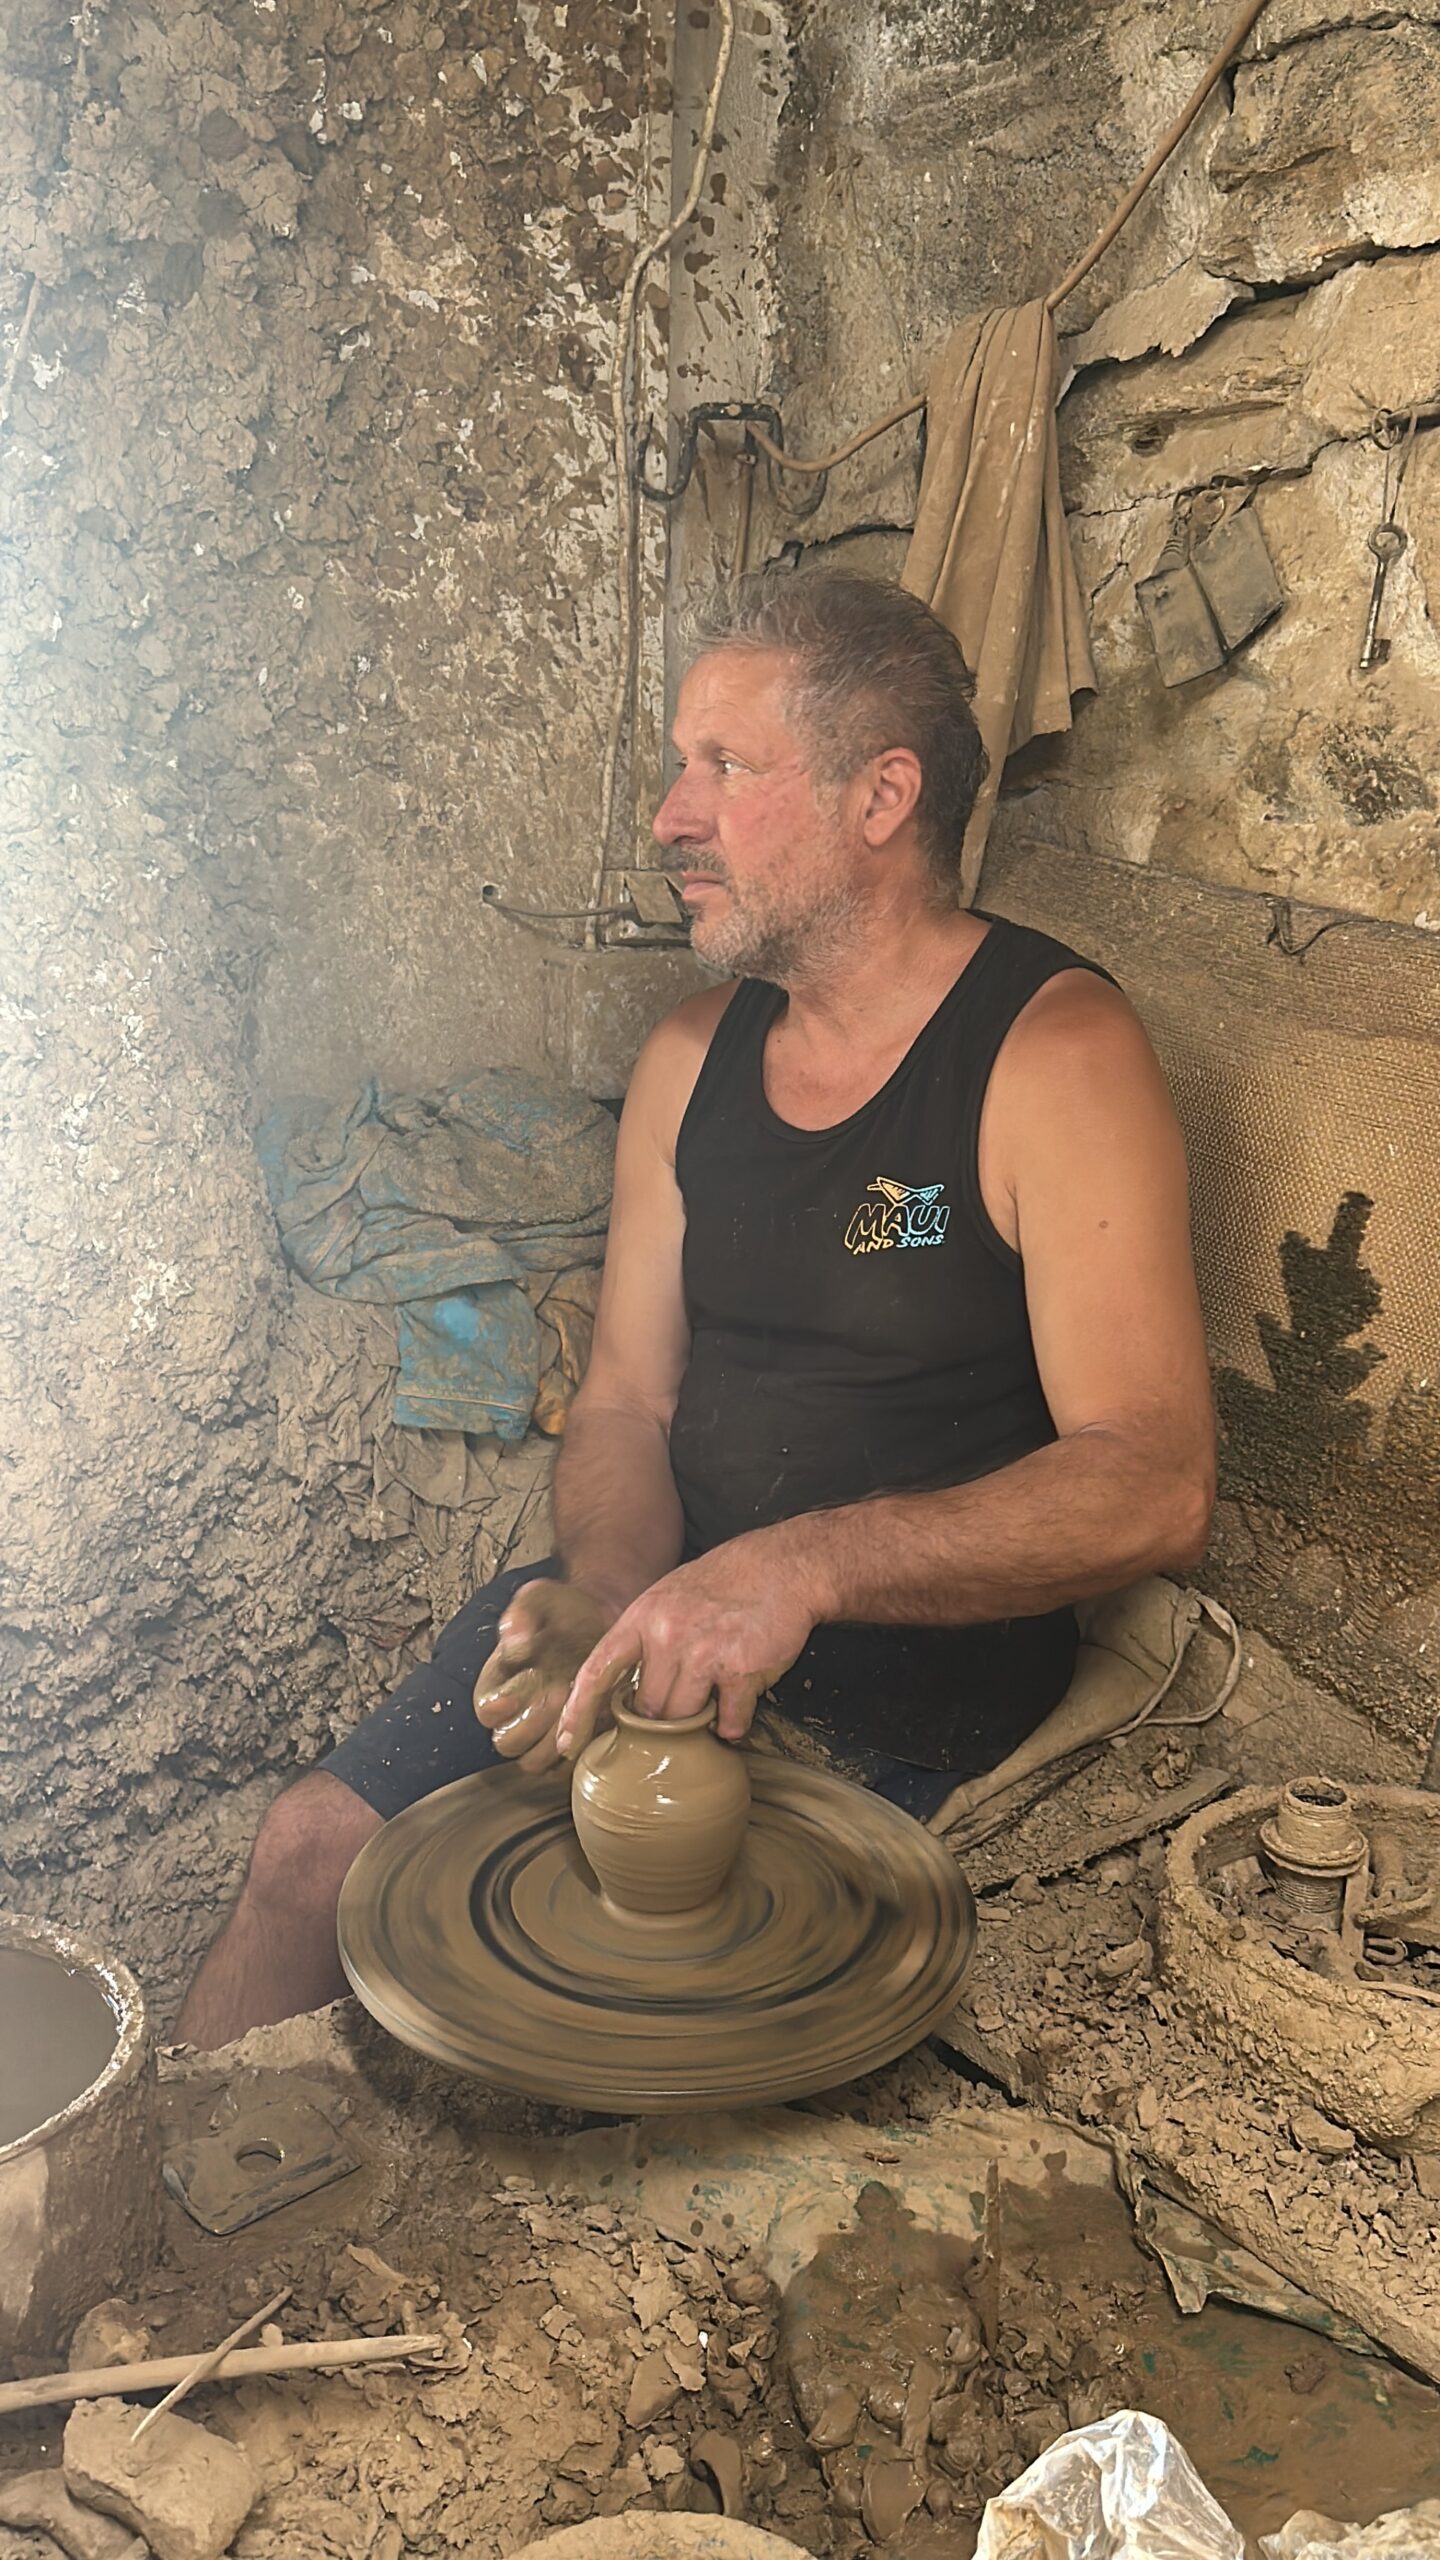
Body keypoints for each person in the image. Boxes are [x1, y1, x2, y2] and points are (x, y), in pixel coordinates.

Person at [176, 571, 1215, 2047]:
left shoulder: (1053, 1055)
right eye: (681, 766)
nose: (670, 814)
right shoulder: (689, 1056)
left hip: (906, 1703)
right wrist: (608, 1585)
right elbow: (624, 1402)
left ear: (882, 796)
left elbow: (1157, 1484)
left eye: (722, 768)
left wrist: (798, 1569)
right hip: (657, 1617)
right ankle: (100, 2231)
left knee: (613, 2026)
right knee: (306, 1857)